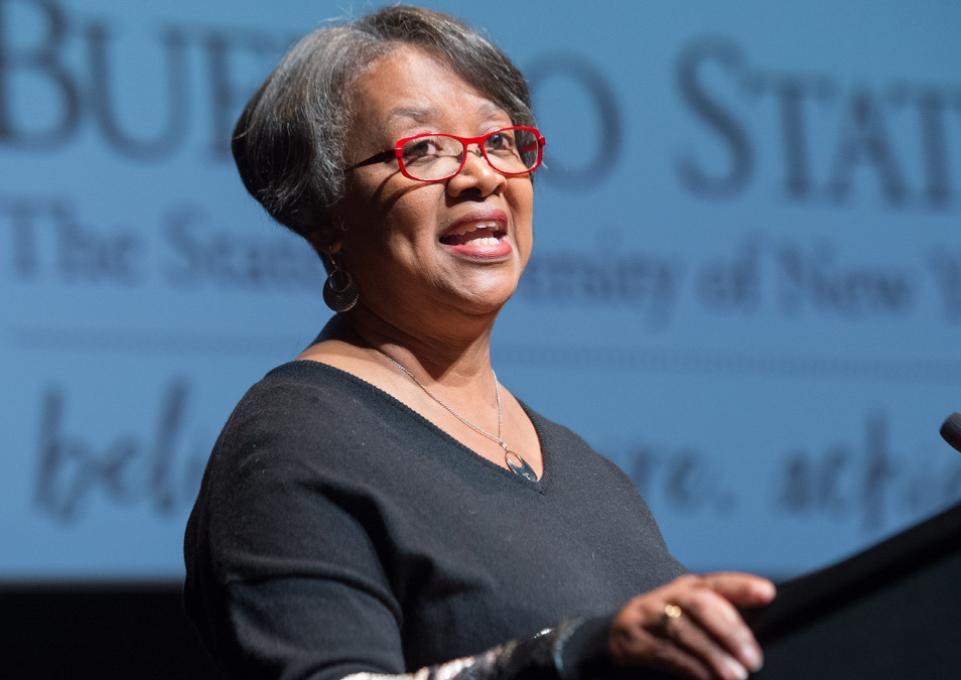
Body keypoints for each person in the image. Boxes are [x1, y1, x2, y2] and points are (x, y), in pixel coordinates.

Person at [184, 6, 776, 680]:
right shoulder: (294, 444)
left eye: (500, 141)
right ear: (327, 221)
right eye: (422, 150)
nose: (480, 176)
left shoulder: (590, 475)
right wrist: (571, 655)